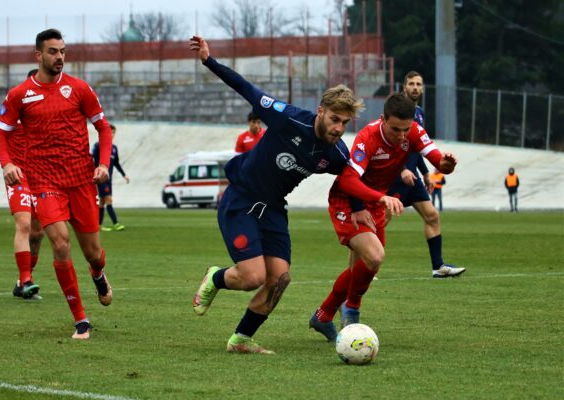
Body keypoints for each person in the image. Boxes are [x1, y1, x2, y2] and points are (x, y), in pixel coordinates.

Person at [189, 35, 368, 354]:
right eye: (334, 119)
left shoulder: (337, 154)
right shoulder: (286, 118)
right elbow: (246, 88)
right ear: (321, 110)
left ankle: (241, 339)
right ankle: (215, 278)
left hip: (273, 209)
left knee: (280, 279)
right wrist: (208, 60)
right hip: (241, 199)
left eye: (345, 122)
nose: (339, 127)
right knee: (252, 276)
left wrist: (357, 207)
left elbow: (348, 177)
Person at [0, 28, 114, 340]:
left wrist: (102, 164)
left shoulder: (79, 89)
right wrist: (6, 163)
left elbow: (102, 127)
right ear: (38, 55)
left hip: (81, 180)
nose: (59, 57)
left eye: (62, 51)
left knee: (93, 253)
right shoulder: (20, 95)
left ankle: (98, 274)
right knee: (60, 243)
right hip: (45, 181)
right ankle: (80, 319)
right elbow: (0, 134)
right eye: (52, 51)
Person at [309, 93, 458, 342]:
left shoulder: (413, 132)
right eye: (395, 129)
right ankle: (351, 310)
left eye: (406, 130)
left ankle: (323, 316)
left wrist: (445, 165)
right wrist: (380, 198)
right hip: (347, 200)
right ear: (382, 120)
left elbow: (436, 159)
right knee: (374, 255)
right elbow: (348, 180)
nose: (401, 136)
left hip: (375, 203)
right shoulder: (367, 137)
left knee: (371, 263)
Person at [385, 71, 464, 278]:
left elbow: (418, 146)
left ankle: (438, 267)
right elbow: (389, 147)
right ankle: (363, 267)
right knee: (378, 221)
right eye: (411, 83)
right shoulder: (395, 112)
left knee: (432, 216)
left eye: (419, 84)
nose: (415, 87)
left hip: (413, 178)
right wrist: (401, 169)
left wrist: (426, 173)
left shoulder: (418, 113)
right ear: (404, 87)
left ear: (423, 88)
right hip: (393, 175)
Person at [0, 70, 45, 299]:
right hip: (17, 176)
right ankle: (26, 279)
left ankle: (23, 281)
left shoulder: (49, 113)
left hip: (42, 177)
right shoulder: (14, 107)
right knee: (24, 224)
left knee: (38, 232)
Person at [92, 124, 129, 231]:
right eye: (110, 132)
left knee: (102, 201)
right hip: (101, 178)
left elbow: (116, 163)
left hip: (109, 179)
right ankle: (116, 223)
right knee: (109, 199)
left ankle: (98, 225)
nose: (112, 134)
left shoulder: (114, 148)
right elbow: (92, 160)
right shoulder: (98, 146)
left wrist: (124, 175)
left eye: (113, 132)